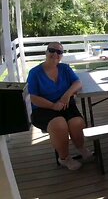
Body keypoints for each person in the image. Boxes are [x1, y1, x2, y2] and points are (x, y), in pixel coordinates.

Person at [27, 42, 91, 170]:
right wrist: (52, 106)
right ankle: (64, 158)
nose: (55, 54)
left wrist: (67, 95)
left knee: (77, 123)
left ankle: (80, 148)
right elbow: (33, 98)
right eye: (52, 50)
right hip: (43, 109)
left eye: (59, 52)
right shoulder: (35, 73)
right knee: (59, 125)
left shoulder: (65, 68)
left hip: (65, 105)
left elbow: (78, 83)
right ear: (46, 52)